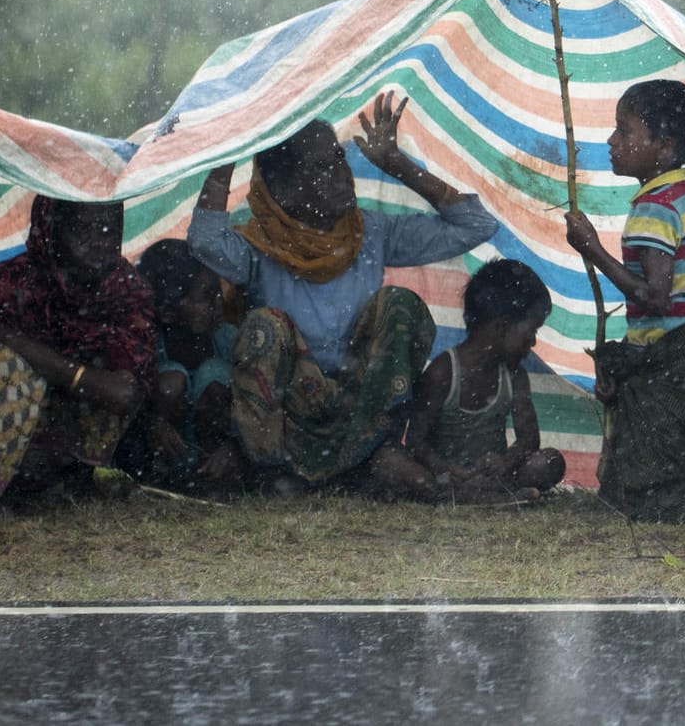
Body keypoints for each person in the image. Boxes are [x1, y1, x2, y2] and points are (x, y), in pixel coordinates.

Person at [187, 93, 498, 495]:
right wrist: (228, 155)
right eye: (321, 167)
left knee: (400, 306)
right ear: (282, 189)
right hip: (290, 417)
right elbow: (204, 240)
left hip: (357, 416)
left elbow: (476, 226)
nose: (340, 173)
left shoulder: (370, 232)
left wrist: (396, 164)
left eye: (339, 159)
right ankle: (269, 469)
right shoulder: (261, 246)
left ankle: (360, 459)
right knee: (265, 326)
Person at [563, 79, 685, 522]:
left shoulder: (654, 208)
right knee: (663, 474)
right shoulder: (679, 193)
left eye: (624, 131)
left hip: (678, 359)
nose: (612, 142)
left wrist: (592, 249)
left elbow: (656, 299)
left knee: (644, 497)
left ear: (664, 146)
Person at [0, 197, 158, 506]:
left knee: (104, 375)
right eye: (82, 229)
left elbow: (124, 394)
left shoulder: (124, 290)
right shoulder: (2, 285)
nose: (98, 242)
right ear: (52, 230)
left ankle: (66, 476)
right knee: (7, 366)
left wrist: (23, 346)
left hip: (53, 438)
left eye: (108, 229)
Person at [400, 259, 567, 501]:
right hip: (448, 479)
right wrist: (445, 469)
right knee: (394, 463)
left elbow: (530, 439)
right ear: (503, 326)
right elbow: (416, 442)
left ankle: (476, 496)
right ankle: (485, 497)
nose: (532, 342)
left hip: (496, 479)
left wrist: (505, 461)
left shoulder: (514, 375)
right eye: (532, 330)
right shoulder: (442, 372)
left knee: (550, 461)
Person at [115, 239, 246, 493]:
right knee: (170, 381)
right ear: (166, 312)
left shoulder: (229, 339)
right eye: (207, 296)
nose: (218, 303)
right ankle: (166, 470)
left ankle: (215, 467)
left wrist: (235, 447)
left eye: (218, 292)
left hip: (219, 449)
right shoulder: (145, 347)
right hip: (163, 454)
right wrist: (153, 421)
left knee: (214, 374)